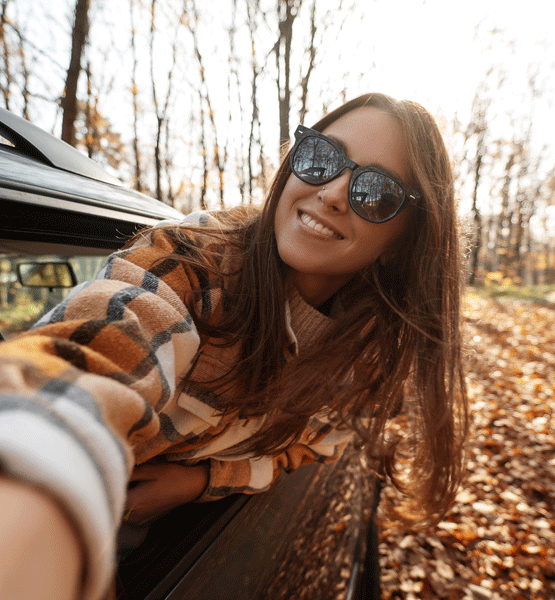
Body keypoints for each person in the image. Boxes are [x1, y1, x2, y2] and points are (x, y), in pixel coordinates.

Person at [0, 93, 468, 600]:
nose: (333, 193)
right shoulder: (192, 260)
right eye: (323, 158)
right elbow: (97, 349)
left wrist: (202, 481)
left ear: (401, 240)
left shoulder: (367, 352)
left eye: (377, 192)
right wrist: (37, 467)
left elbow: (308, 449)